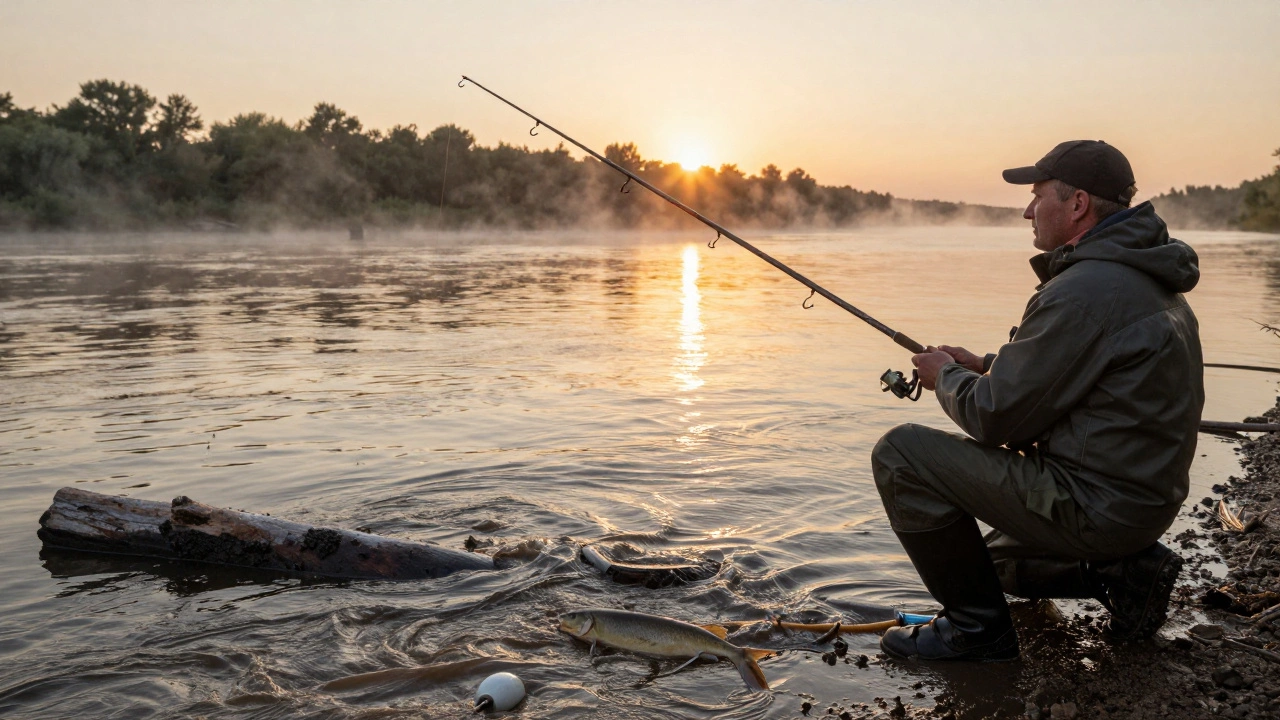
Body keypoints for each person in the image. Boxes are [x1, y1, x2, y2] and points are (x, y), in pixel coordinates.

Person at [872, 140, 1204, 662]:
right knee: (992, 566)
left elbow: (992, 418)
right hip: (1142, 502)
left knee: (901, 453)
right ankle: (1126, 573)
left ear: (1077, 205)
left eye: (1037, 196)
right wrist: (983, 365)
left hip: (1100, 506)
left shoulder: (1087, 288)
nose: (1027, 210)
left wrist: (947, 378)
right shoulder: (1141, 275)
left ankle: (978, 634)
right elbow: (1080, 376)